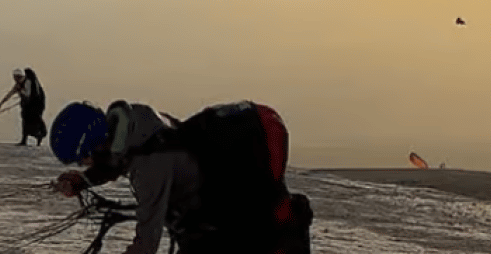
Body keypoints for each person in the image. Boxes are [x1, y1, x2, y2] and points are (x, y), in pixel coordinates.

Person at [49, 100, 313, 254]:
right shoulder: (135, 122)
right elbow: (123, 157)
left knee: (258, 231)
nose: (83, 163)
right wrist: (84, 180)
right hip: (246, 143)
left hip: (254, 154)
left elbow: (147, 241)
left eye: (81, 157)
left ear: (93, 144)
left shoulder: (148, 169)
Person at [0, 67, 47, 146]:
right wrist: (0, 104)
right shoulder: (18, 84)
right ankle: (24, 140)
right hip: (27, 105)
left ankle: (38, 137)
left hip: (36, 105)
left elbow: (27, 94)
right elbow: (10, 94)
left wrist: (20, 90)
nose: (15, 79)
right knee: (25, 121)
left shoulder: (28, 82)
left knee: (35, 121)